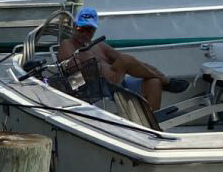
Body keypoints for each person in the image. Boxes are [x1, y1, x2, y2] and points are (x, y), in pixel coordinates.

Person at [57, 6, 187, 111]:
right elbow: (71, 76)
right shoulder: (67, 45)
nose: (85, 33)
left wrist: (154, 71)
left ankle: (151, 125)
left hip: (119, 83)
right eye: (81, 29)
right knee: (125, 60)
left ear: (95, 30)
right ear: (74, 26)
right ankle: (166, 82)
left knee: (153, 82)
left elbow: (136, 64)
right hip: (98, 88)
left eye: (89, 30)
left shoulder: (100, 46)